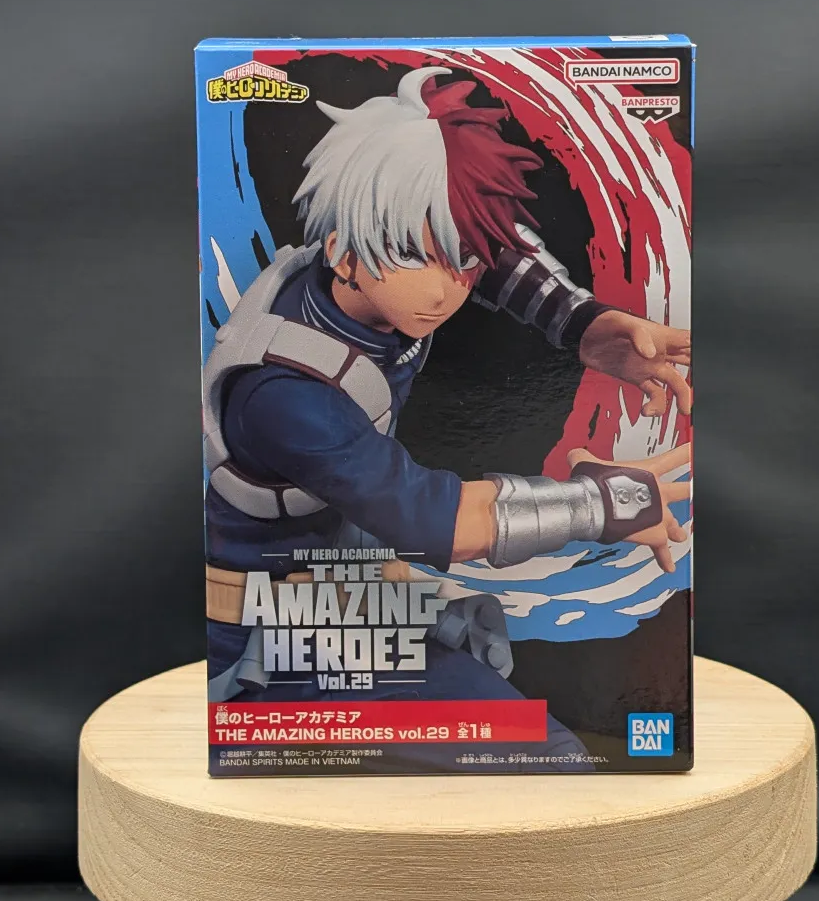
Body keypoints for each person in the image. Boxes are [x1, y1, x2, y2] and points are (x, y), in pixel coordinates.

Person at [202, 66, 691, 770]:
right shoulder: (289, 393)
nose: (443, 291)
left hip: (348, 593)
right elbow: (437, 518)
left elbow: (483, 249)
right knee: (550, 762)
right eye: (413, 255)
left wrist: (585, 324)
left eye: (456, 260)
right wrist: (600, 504)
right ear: (343, 250)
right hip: (272, 648)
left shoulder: (363, 271)